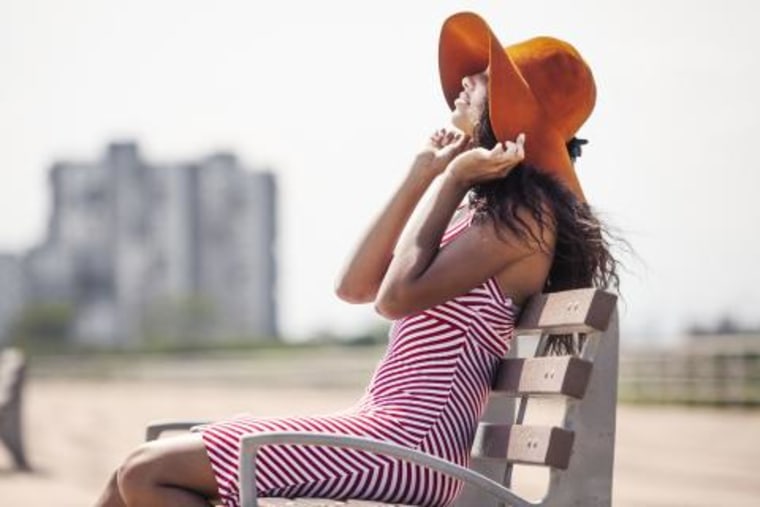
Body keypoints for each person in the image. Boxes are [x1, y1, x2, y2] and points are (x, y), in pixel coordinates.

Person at [94, 11, 619, 507]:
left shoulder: (525, 218)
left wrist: (452, 176)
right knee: (129, 477)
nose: (465, 84)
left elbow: (395, 298)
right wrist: (422, 174)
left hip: (415, 448)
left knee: (146, 472)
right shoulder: (489, 212)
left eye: (483, 78)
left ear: (511, 104)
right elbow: (356, 286)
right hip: (385, 433)